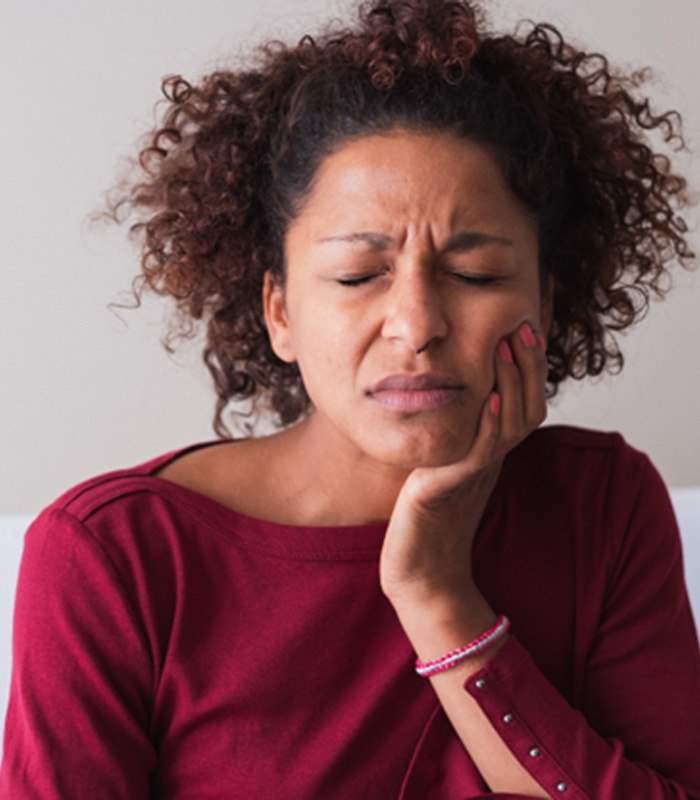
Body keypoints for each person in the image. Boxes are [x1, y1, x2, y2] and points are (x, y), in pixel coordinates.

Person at [2, 0, 699, 797]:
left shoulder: (600, 505)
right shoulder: (114, 557)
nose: (416, 325)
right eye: (357, 276)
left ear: (544, 302)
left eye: (475, 275)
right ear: (280, 311)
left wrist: (438, 593)